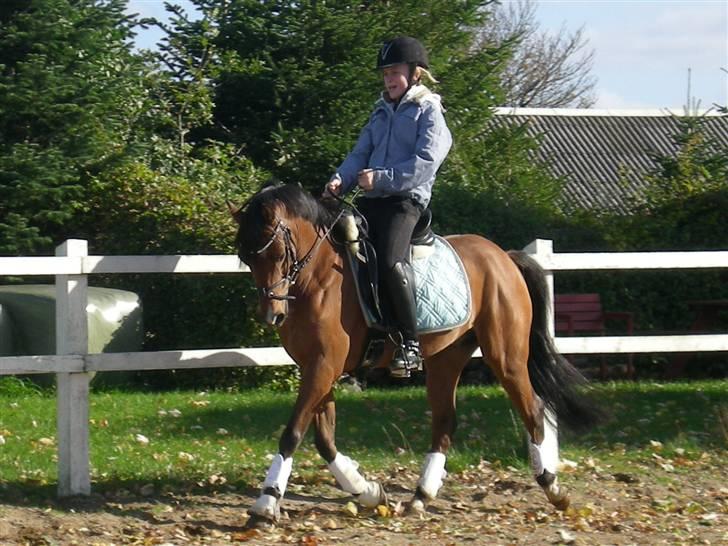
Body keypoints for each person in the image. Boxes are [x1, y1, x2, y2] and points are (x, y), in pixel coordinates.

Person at [324, 36, 452, 378]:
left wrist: (380, 178)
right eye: (385, 75)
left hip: (406, 202)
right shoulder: (380, 111)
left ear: (415, 74)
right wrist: (341, 178)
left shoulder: (429, 112)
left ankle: (410, 344)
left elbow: (426, 162)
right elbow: (359, 154)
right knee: (341, 254)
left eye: (394, 73)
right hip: (371, 199)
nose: (388, 80)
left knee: (392, 260)